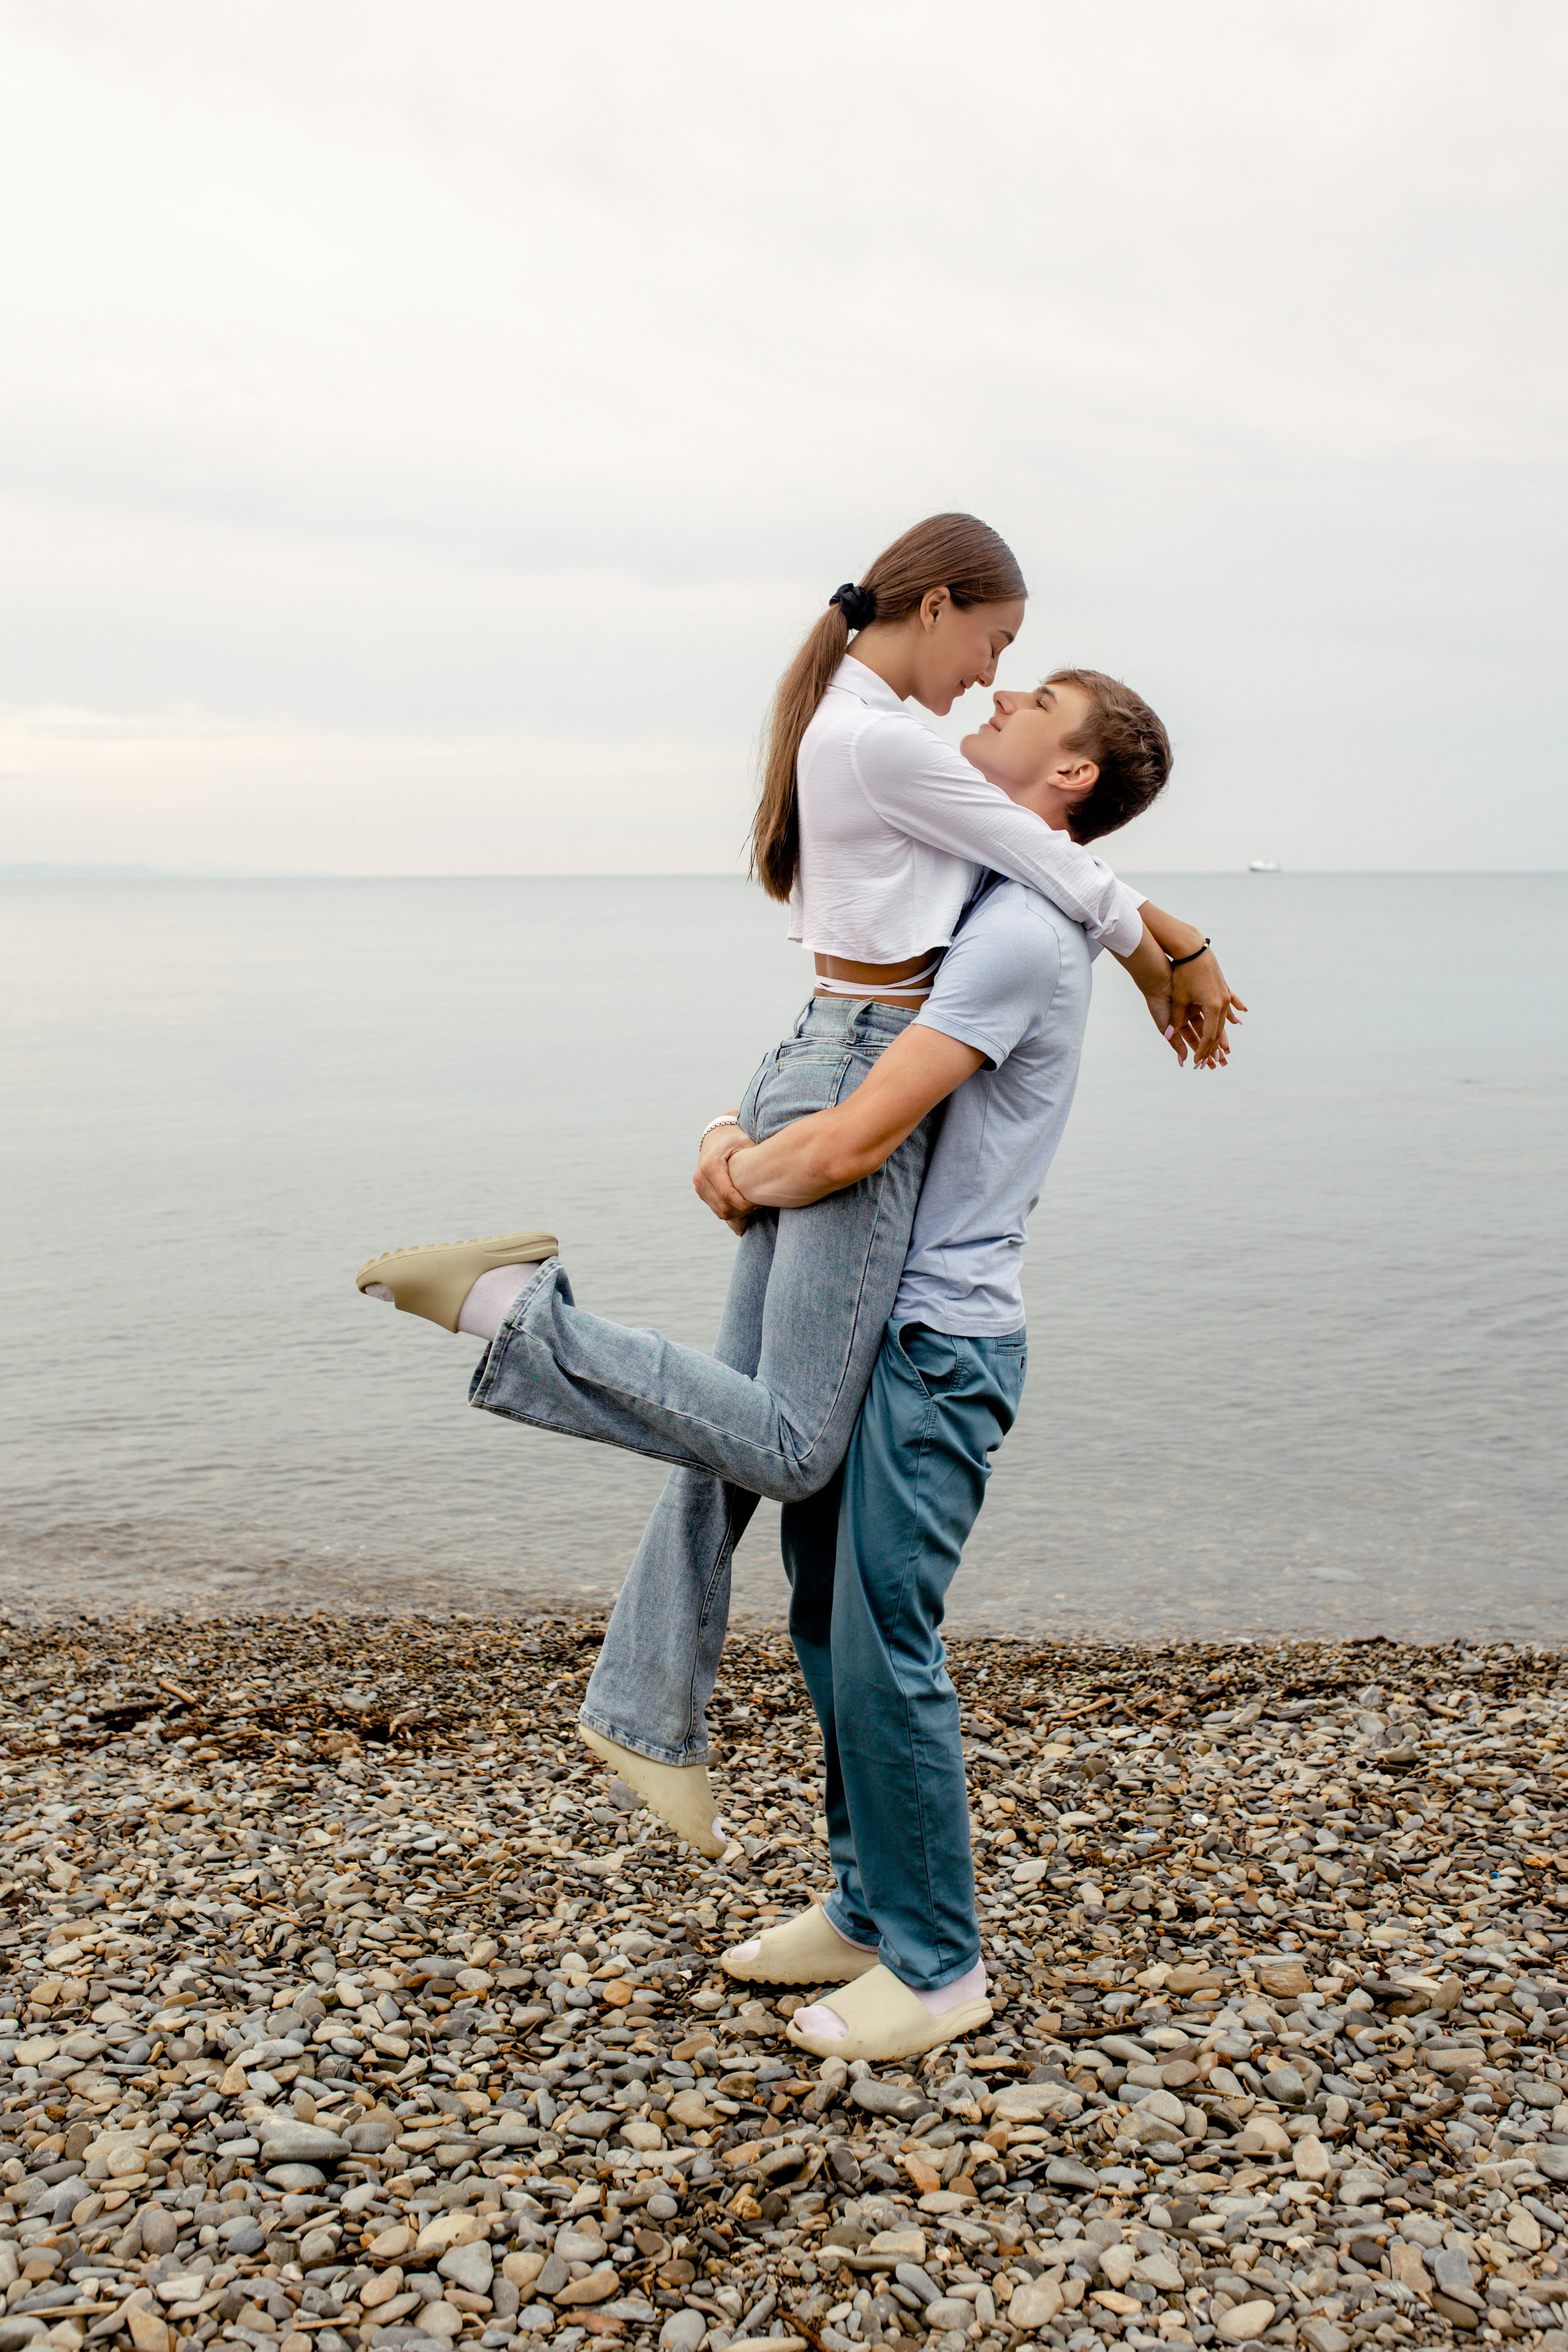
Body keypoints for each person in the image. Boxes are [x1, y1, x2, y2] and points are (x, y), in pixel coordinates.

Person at [356, 515, 1240, 1854]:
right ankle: (506, 1309)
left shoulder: (859, 728)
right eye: (996, 644)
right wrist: (1176, 948)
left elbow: (1053, 863)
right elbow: (1064, 874)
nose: (992, 679)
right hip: (847, 1062)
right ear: (935, 606)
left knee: (726, 1439)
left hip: (819, 1046)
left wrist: (737, 1135)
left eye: (1020, 672)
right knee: (786, 1442)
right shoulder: (884, 741)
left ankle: (646, 1713)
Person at [692, 673, 1176, 2062]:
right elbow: (835, 1046)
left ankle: (939, 1967)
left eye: (1040, 692)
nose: (1002, 688)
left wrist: (734, 1165)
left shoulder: (1018, 930)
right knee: (823, 1629)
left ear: (1070, 774)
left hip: (935, 1341)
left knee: (884, 1651)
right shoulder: (983, 889)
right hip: (859, 1312)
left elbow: (854, 1139)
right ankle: (864, 1905)